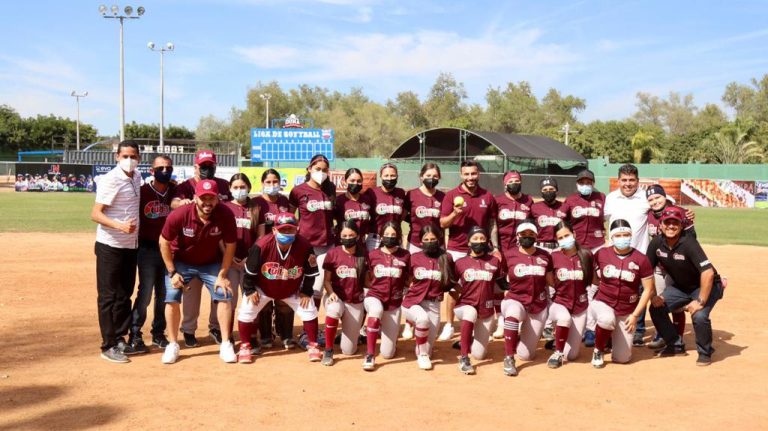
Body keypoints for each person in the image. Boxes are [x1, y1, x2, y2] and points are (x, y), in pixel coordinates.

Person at [159, 179, 237, 364]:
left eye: (212, 198)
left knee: (224, 294)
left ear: (218, 198)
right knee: (172, 296)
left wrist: (222, 275)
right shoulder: (180, 214)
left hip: (210, 263)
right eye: (203, 198)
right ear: (195, 198)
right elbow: (164, 242)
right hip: (182, 262)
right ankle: (172, 344)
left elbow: (231, 245)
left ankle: (226, 343)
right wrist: (172, 272)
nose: (207, 202)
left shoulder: (225, 214)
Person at [235, 212, 323, 364]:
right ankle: (245, 346)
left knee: (309, 308)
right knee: (246, 311)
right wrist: (249, 290)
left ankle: (313, 344)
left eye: (290, 229)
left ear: (297, 229)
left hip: (291, 289)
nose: (287, 233)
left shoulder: (304, 246)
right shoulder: (261, 246)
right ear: (274, 230)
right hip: (263, 288)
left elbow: (310, 273)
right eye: (283, 230)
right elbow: (249, 273)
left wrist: (306, 291)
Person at [647, 207, 724, 366]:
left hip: (706, 286)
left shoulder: (689, 242)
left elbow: (708, 273)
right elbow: (647, 272)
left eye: (675, 223)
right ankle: (675, 345)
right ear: (660, 225)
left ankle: (705, 351)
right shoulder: (656, 243)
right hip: (681, 287)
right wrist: (654, 295)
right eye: (667, 222)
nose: (671, 226)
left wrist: (700, 300)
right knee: (656, 308)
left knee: (699, 315)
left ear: (681, 225)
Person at [172, 150, 233, 347]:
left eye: (210, 165)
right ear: (195, 166)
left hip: (216, 249)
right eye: (203, 166)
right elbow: (174, 202)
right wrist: (182, 203)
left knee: (220, 291)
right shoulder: (185, 186)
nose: (207, 169)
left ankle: (215, 327)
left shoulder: (222, 185)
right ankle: (189, 330)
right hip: (189, 249)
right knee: (191, 294)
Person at [90, 140, 142, 363]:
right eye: (125, 156)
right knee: (108, 297)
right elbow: (96, 214)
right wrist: (120, 226)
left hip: (130, 246)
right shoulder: (111, 179)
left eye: (133, 156)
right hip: (110, 245)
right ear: (117, 157)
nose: (129, 160)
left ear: (139, 158)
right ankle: (108, 344)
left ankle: (120, 338)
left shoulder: (137, 176)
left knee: (124, 295)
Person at [438, 160, 498, 342]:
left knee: (480, 286)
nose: (470, 177)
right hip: (457, 248)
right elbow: (442, 223)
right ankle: (449, 324)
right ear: (461, 175)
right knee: (455, 288)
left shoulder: (487, 196)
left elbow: (492, 224)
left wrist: (495, 247)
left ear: (478, 174)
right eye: (467, 174)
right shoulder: (451, 196)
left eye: (473, 174)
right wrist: (455, 213)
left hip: (481, 250)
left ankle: (474, 324)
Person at [589, 219, 655, 368]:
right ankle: (598, 349)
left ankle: (611, 338)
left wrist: (635, 315)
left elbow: (648, 289)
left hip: (626, 309)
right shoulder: (601, 254)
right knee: (606, 319)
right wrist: (590, 295)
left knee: (622, 358)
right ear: (611, 237)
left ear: (631, 236)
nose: (622, 238)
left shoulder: (641, 259)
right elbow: (592, 275)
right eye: (618, 235)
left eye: (626, 234)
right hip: (603, 302)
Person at [128, 155, 175, 353]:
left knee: (164, 294)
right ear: (152, 171)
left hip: (170, 250)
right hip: (147, 248)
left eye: (168, 168)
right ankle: (135, 333)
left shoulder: (175, 192)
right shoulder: (143, 192)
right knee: (146, 292)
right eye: (160, 168)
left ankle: (158, 333)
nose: (165, 171)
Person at [599, 164, 650, 348]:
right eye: (624, 180)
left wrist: (688, 215)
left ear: (638, 181)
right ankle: (610, 329)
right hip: (614, 253)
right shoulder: (611, 198)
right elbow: (601, 220)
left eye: (632, 180)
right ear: (618, 180)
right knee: (614, 288)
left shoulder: (646, 196)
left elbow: (665, 206)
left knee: (638, 291)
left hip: (639, 252)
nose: (628, 184)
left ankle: (639, 329)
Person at [499, 220, 554, 376]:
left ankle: (516, 339)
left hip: (538, 304)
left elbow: (551, 281)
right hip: (515, 300)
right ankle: (509, 357)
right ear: (517, 236)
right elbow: (500, 275)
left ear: (536, 236)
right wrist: (506, 289)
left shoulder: (545, 255)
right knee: (513, 314)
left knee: (526, 355)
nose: (527, 237)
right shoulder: (509, 254)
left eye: (531, 234)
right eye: (523, 234)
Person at [645, 184, 694, 350]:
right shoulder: (649, 216)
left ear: (665, 196)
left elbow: (692, 240)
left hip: (676, 267)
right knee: (659, 303)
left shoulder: (680, 212)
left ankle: (678, 337)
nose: (655, 201)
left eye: (658, 197)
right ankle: (663, 334)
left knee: (676, 305)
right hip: (659, 266)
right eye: (651, 199)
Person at [402, 224, 455, 370]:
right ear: (420, 242)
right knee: (422, 320)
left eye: (433, 239)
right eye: (426, 239)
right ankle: (422, 355)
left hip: (434, 304)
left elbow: (451, 282)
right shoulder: (414, 258)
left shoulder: (446, 257)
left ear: (439, 240)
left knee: (427, 348)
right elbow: (405, 280)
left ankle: (423, 352)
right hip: (413, 302)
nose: (430, 241)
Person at [253, 168, 296, 350]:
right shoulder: (255, 203)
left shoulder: (285, 201)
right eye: (268, 182)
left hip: (285, 253)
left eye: (275, 182)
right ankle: (265, 335)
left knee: (283, 294)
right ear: (262, 183)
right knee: (264, 296)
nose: (272, 185)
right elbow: (255, 230)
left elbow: (294, 225)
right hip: (263, 254)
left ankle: (285, 334)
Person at [453, 226, 504, 375]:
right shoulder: (460, 262)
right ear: (469, 242)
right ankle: (463, 358)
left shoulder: (494, 261)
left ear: (487, 241)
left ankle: (466, 339)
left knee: (480, 355)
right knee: (470, 312)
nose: (479, 241)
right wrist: (460, 295)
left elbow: (502, 286)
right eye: (475, 239)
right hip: (465, 306)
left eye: (482, 239)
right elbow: (450, 285)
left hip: (486, 310)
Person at [362, 221, 411, 371]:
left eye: (393, 235)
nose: (390, 237)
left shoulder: (405, 255)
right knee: (376, 311)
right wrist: (376, 288)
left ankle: (384, 330)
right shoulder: (373, 254)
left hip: (394, 303)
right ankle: (370, 354)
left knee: (388, 353)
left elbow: (408, 279)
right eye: (387, 234)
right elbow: (366, 278)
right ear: (381, 236)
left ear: (398, 236)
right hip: (374, 296)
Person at [289, 154, 336, 307]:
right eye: (317, 169)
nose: (321, 172)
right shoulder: (298, 191)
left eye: (324, 170)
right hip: (305, 245)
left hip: (326, 245)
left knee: (317, 287)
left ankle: (311, 325)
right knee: (300, 284)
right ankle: (299, 320)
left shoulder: (330, 189)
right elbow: (291, 216)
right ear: (309, 169)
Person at [320, 220, 369, 366]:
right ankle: (328, 350)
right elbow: (326, 280)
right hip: (336, 296)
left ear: (358, 236)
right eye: (345, 236)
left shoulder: (364, 255)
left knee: (349, 350)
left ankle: (344, 335)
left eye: (351, 235)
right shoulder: (333, 253)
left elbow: (367, 282)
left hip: (355, 300)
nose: (348, 238)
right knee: (334, 309)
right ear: (340, 236)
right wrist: (331, 292)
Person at [546, 221, 594, 368]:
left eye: (567, 235)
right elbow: (549, 278)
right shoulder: (553, 256)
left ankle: (559, 340)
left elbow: (593, 279)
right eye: (560, 238)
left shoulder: (586, 254)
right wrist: (561, 287)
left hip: (580, 305)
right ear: (556, 240)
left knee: (572, 355)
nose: (564, 239)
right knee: (564, 318)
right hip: (560, 302)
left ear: (574, 234)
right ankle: (557, 353)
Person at [221, 173, 261, 344]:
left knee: (250, 298)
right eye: (235, 187)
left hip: (249, 262)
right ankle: (227, 335)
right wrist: (227, 256)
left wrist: (249, 259)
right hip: (228, 261)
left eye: (242, 187)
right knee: (230, 299)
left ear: (249, 188)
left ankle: (251, 335)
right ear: (230, 189)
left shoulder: (255, 208)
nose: (239, 190)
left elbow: (261, 237)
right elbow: (219, 236)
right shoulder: (224, 207)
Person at [404, 162, 445, 253]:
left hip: (437, 243)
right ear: (421, 177)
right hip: (415, 243)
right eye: (428, 175)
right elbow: (402, 216)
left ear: (439, 178)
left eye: (435, 176)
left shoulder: (443, 196)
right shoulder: (412, 194)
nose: (431, 178)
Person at [365, 162, 406, 251]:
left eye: (392, 175)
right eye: (386, 175)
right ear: (381, 176)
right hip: (376, 238)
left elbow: (404, 212)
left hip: (395, 236)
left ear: (397, 176)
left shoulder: (401, 192)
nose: (389, 178)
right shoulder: (372, 192)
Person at [563, 169, 606, 252]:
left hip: (597, 243)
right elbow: (565, 222)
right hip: (576, 243)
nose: (585, 185)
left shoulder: (601, 197)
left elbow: (606, 217)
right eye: (581, 183)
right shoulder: (570, 200)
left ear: (593, 184)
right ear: (577, 184)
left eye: (588, 182)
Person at [494, 170, 534, 254]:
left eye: (517, 181)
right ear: (505, 184)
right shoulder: (497, 200)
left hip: (520, 247)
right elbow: (491, 224)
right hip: (500, 246)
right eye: (510, 181)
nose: (514, 183)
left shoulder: (528, 200)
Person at [334, 168, 374, 248]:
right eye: (352, 181)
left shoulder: (367, 199)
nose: (355, 183)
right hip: (343, 245)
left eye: (359, 181)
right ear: (345, 182)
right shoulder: (339, 200)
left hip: (361, 245)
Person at [530, 177, 566, 252]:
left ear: (556, 191)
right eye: (545, 190)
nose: (548, 192)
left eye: (551, 189)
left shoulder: (565, 207)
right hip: (540, 247)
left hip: (559, 247)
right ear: (541, 192)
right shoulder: (534, 207)